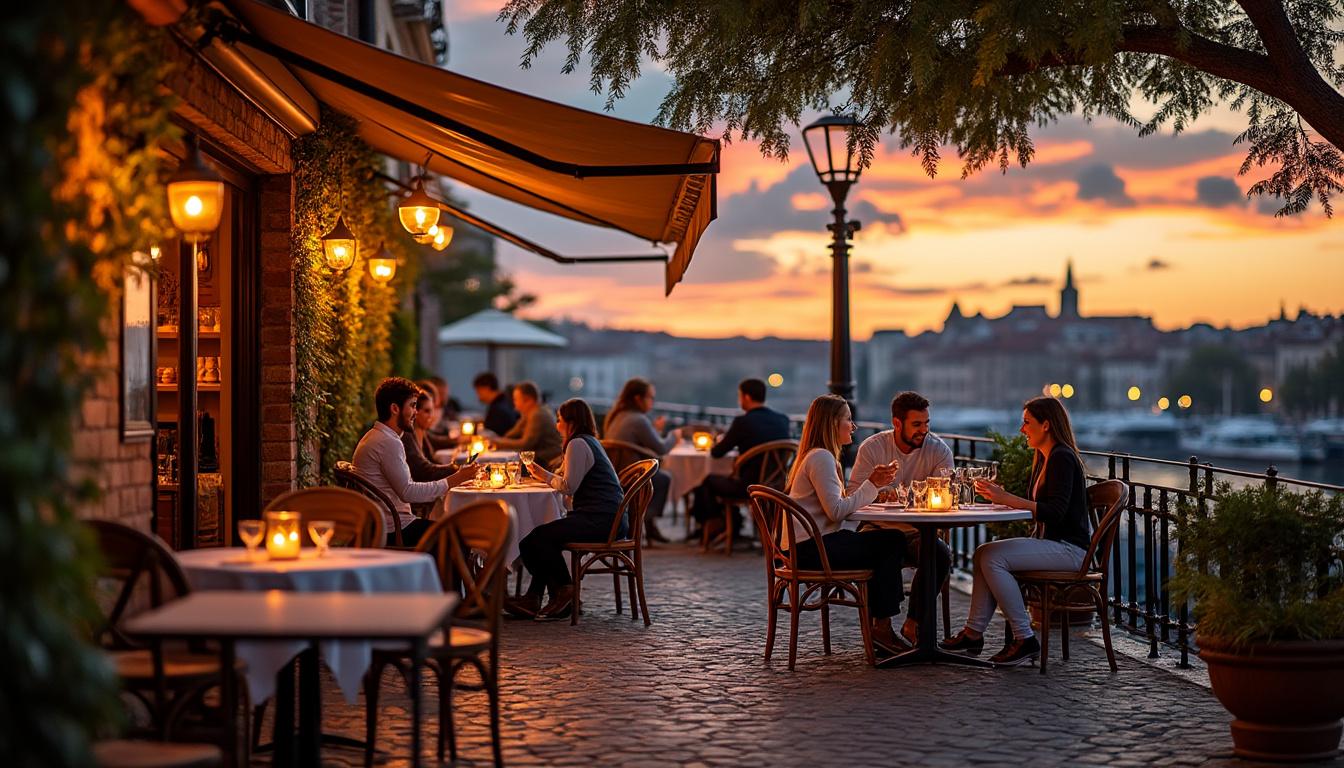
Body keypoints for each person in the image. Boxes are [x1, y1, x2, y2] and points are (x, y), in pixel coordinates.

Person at [941, 396, 1092, 667]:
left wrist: (1005, 498)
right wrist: (1000, 498)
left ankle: (1024, 638)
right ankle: (973, 633)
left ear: (1046, 425)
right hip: (1053, 544)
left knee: (991, 557)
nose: (1022, 429)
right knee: (982, 553)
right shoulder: (1045, 458)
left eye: (1027, 423)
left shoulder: (1062, 458)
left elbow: (1054, 511)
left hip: (1071, 550)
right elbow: (1040, 506)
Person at [786, 394, 906, 653]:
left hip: (803, 546)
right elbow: (836, 512)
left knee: (882, 542)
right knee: (892, 540)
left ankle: (881, 624)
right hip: (812, 549)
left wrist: (873, 490)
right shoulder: (822, 458)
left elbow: (835, 506)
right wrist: (871, 485)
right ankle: (882, 628)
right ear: (832, 424)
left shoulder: (814, 456)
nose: (853, 426)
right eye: (848, 420)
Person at [845, 391, 954, 645]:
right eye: (916, 424)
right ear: (897, 423)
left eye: (927, 424)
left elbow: (947, 494)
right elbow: (852, 495)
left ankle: (913, 624)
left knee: (940, 554)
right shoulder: (873, 448)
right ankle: (880, 627)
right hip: (877, 527)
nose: (923, 430)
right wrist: (880, 494)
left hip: (918, 530)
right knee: (885, 546)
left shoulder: (938, 450)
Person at [505, 398, 625, 620]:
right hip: (606, 516)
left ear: (571, 422)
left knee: (534, 540)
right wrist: (548, 475)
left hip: (601, 520)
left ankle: (565, 591)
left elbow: (569, 487)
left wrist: (542, 474)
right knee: (539, 536)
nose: (557, 425)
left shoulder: (577, 444)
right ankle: (538, 596)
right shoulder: (588, 441)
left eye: (559, 420)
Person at [352, 377, 474, 547]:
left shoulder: (377, 436)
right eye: (413, 405)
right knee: (457, 536)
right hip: (394, 529)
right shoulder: (388, 442)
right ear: (395, 408)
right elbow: (408, 492)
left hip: (384, 524)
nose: (416, 412)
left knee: (454, 532)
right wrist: (454, 479)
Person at [689, 378, 791, 540]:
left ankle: (719, 524)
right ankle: (731, 524)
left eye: (740, 396)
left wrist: (722, 439)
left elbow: (717, 453)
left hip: (749, 485)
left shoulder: (743, 422)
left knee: (706, 481)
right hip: (777, 484)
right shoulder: (783, 419)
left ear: (747, 397)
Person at [602, 377, 679, 543]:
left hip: (616, 473)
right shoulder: (638, 420)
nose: (652, 402)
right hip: (633, 476)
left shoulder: (616, 416)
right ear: (638, 399)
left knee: (658, 476)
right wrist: (675, 436)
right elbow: (661, 448)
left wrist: (655, 430)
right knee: (663, 478)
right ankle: (644, 521)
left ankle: (648, 526)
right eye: (650, 397)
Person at [490, 381, 563, 466]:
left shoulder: (538, 414)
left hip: (548, 461)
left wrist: (496, 441)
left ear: (528, 400)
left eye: (516, 399)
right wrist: (497, 440)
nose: (514, 403)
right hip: (540, 458)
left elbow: (526, 444)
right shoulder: (529, 413)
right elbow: (511, 434)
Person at [402, 388, 460, 482]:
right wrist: (457, 468)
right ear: (415, 411)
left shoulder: (422, 434)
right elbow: (423, 471)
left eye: (432, 410)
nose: (431, 416)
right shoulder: (406, 436)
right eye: (426, 411)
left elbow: (432, 462)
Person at [420, 376, 462, 451]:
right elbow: (432, 439)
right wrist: (456, 440)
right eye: (441, 393)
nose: (445, 397)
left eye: (446, 393)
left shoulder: (447, 408)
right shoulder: (420, 418)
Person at [473, 372, 519, 436]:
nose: (478, 396)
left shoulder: (497, 410)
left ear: (486, 389)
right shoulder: (506, 401)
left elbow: (490, 436)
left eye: (478, 391)